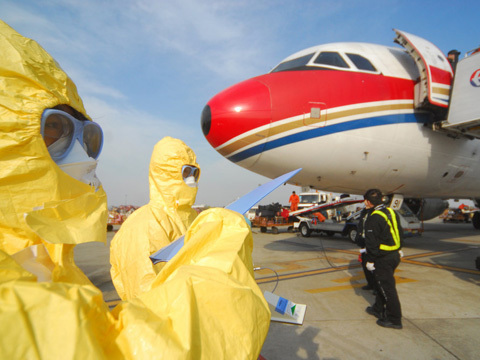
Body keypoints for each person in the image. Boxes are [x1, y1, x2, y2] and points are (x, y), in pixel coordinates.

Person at [110, 136, 200, 300]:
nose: (191, 179)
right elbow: (147, 296)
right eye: (186, 171)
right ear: (165, 173)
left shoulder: (192, 218)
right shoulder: (144, 224)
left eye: (195, 172)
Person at [363, 189, 404, 329]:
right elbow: (399, 231)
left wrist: (370, 260)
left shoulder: (373, 217)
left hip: (383, 258)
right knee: (381, 284)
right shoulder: (391, 211)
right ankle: (378, 308)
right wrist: (399, 248)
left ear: (368, 202)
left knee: (387, 289)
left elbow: (371, 242)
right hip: (394, 255)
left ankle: (394, 319)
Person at [354, 204, 375, 291]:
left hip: (372, 243)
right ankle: (370, 283)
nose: (365, 203)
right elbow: (360, 225)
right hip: (364, 242)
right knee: (365, 265)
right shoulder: (364, 212)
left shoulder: (375, 213)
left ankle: (376, 288)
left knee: (373, 267)